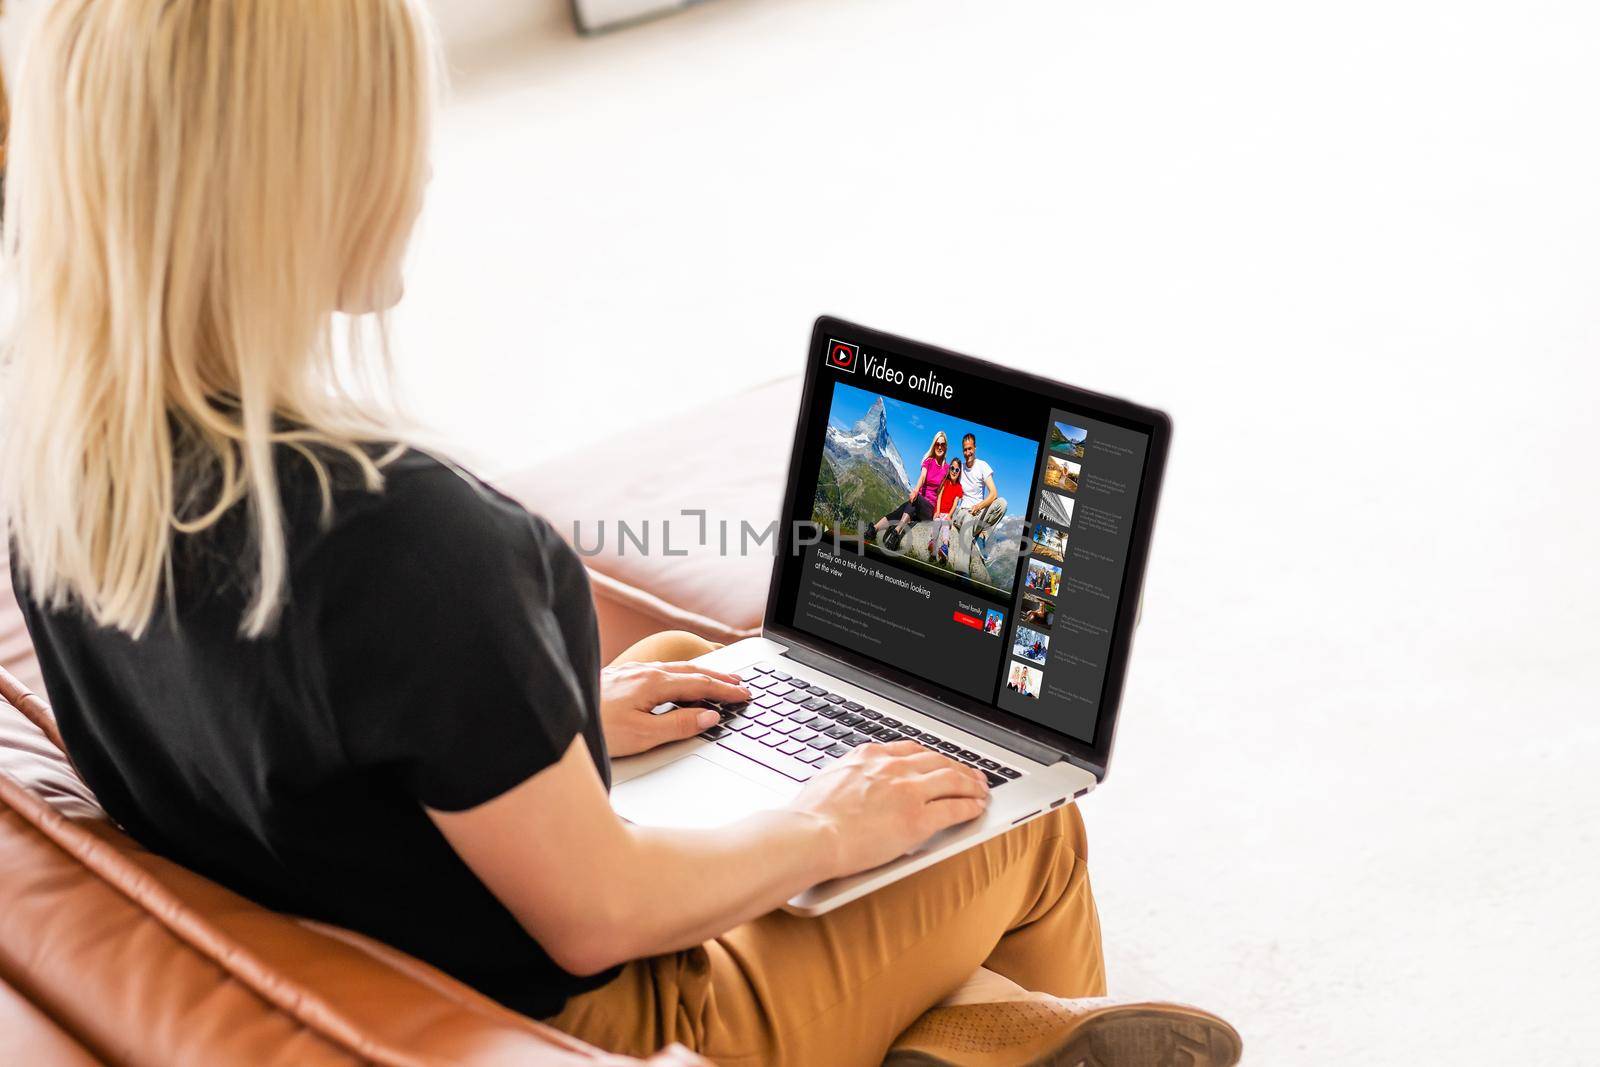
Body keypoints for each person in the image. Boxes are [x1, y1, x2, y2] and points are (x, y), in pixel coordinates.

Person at [0, 4, 1238, 1066]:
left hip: (400, 933)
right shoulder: (405, 541)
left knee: (833, 793)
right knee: (1016, 818)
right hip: (605, 1014)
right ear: (302, 179)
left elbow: (307, 734)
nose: (421, 171)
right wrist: (829, 823)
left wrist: (561, 722)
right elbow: (601, 917)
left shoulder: (66, 463)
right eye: (392, 126)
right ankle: (1036, 1027)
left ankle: (980, 1025)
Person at [868, 431, 950, 551]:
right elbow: (922, 477)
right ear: (934, 445)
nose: (939, 447)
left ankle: (896, 532)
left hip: (929, 509)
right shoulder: (928, 461)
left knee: (914, 501)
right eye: (937, 444)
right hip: (917, 503)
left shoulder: (946, 469)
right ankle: (874, 529)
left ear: (946, 447)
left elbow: (943, 491)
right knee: (902, 509)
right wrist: (916, 490)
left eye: (942, 444)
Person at [956, 433, 1001, 562]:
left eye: (970, 448)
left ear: (975, 448)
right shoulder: (960, 468)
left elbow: (993, 493)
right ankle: (962, 570)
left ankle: (982, 535)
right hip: (964, 512)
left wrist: (979, 506)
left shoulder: (983, 466)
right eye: (965, 449)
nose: (967, 452)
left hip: (978, 512)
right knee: (969, 517)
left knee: (1002, 504)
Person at [929, 459, 964, 563]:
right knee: (936, 523)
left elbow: (955, 503)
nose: (954, 471)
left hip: (947, 514)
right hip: (939, 511)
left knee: (945, 526)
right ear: (949, 469)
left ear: (959, 473)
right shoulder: (945, 481)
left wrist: (949, 515)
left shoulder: (959, 487)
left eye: (957, 470)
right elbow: (939, 496)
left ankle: (944, 546)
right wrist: (937, 511)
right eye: (952, 468)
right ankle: (933, 542)